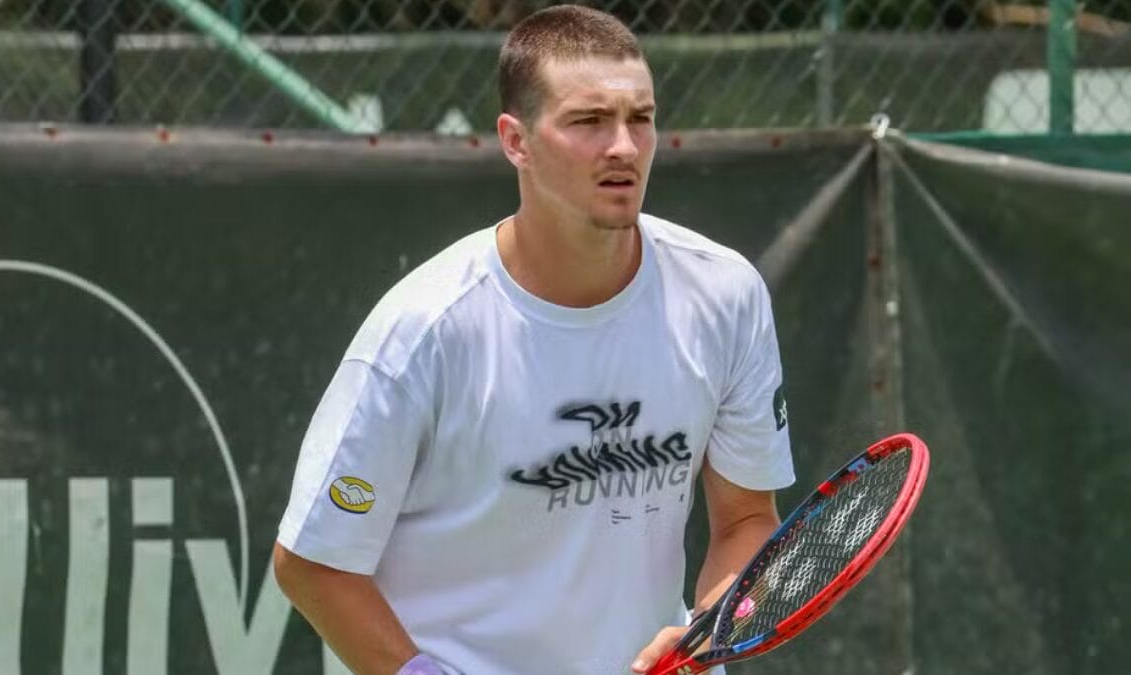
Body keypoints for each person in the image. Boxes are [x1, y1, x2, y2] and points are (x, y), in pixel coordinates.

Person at [273, 5, 794, 674]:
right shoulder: (424, 330)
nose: (624, 148)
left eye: (641, 118)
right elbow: (312, 562)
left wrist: (709, 635)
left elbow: (747, 519)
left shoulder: (726, 294)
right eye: (588, 121)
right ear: (516, 141)